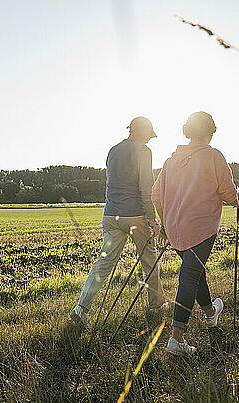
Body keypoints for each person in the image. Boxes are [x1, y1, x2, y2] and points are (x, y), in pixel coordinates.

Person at [151, 111, 239, 355]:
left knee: (194, 271)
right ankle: (176, 338)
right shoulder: (213, 156)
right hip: (201, 228)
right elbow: (228, 192)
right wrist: (236, 198)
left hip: (175, 229)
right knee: (189, 276)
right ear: (210, 132)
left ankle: (211, 313)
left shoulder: (170, 161)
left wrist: (165, 225)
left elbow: (155, 195)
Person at [70, 116, 168, 326]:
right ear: (141, 132)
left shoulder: (113, 150)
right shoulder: (144, 151)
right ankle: (156, 305)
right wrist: (153, 219)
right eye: (149, 135)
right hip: (134, 214)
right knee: (149, 258)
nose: (150, 140)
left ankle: (82, 308)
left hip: (110, 214)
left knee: (103, 263)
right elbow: (145, 188)